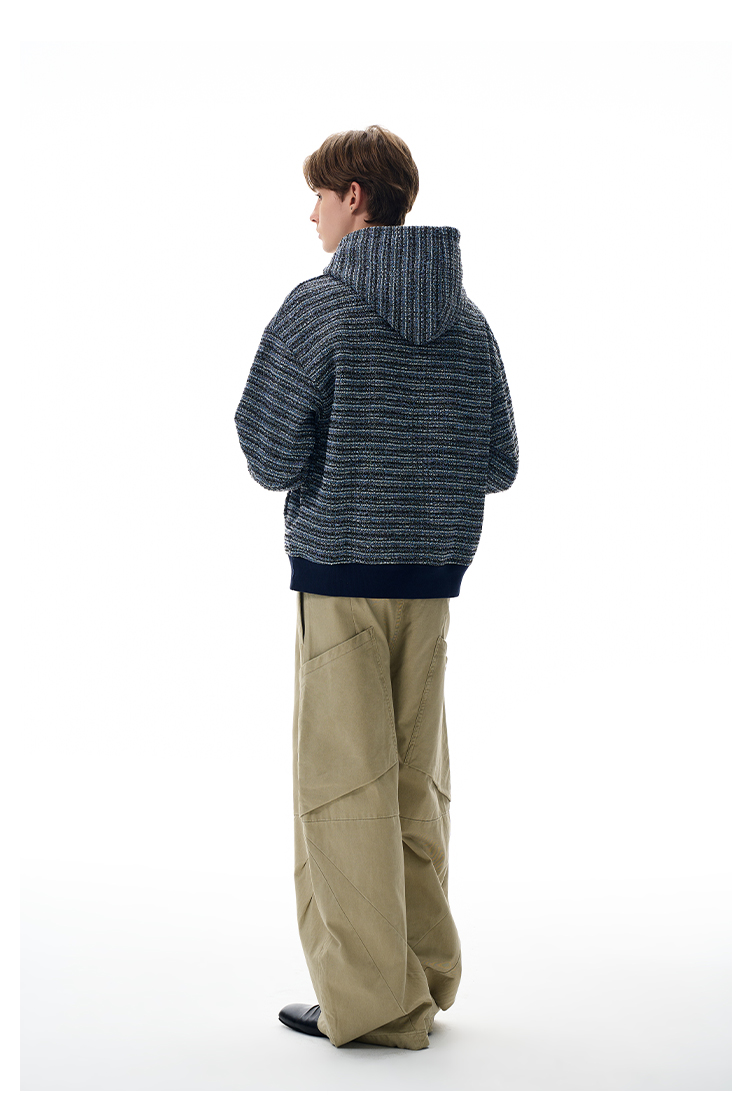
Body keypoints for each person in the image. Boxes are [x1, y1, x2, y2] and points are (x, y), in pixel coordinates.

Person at [234, 124, 519, 1050]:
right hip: (432, 585)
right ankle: (423, 974)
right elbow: (501, 463)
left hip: (342, 579)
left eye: (319, 194)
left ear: (355, 196)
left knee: (343, 789)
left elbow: (268, 455)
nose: (311, 213)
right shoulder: (468, 321)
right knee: (413, 783)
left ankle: (374, 1004)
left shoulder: (320, 308)